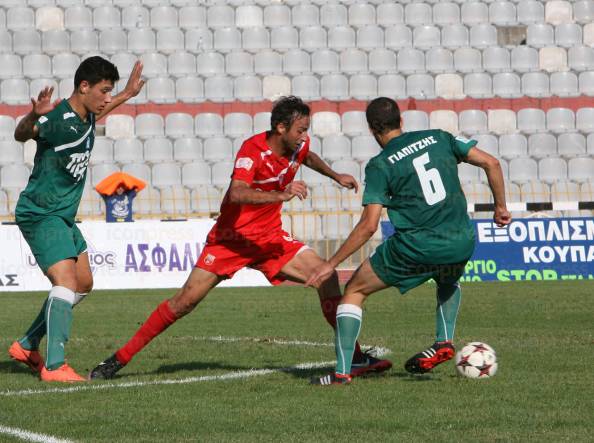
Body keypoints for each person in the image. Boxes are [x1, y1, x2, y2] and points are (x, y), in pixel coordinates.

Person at [89, 96, 393, 380]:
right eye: (300, 130)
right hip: (230, 240)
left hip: (270, 239)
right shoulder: (252, 151)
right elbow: (237, 192)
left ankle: (354, 358)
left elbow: (308, 156)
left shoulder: (299, 145)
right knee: (183, 303)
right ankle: (120, 358)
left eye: (306, 130)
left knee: (325, 276)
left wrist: (335, 175)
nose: (304, 136)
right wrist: (282, 193)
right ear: (280, 127)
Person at [308, 97, 512, 385]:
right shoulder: (439, 137)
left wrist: (331, 263)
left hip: (417, 246)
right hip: (460, 240)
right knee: (446, 280)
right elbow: (491, 162)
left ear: (372, 129)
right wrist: (500, 207)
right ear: (401, 121)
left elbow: (368, 226)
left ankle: (342, 373)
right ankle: (443, 342)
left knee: (354, 290)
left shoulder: (380, 165)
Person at [8, 57, 145, 382]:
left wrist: (126, 93)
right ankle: (55, 367)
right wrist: (33, 116)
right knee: (66, 283)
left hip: (63, 216)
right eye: (104, 90)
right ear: (83, 87)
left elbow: (102, 112)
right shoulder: (55, 118)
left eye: (109, 91)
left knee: (82, 283)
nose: (107, 97)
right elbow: (21, 134)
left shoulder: (88, 115)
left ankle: (27, 345)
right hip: (42, 212)